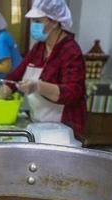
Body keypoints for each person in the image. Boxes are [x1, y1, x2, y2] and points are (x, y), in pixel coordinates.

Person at [5, 0, 86, 140]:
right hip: (40, 122)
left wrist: (37, 86)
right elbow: (18, 74)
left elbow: (72, 92)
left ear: (54, 22)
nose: (33, 25)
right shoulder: (39, 48)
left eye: (38, 21)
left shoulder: (70, 51)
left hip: (64, 127)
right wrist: (5, 87)